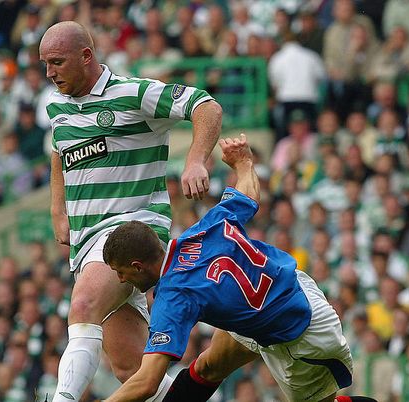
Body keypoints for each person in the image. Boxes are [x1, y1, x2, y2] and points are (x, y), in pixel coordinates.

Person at [102, 135, 374, 402]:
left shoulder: (173, 296)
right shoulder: (203, 229)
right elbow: (249, 196)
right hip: (288, 290)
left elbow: (148, 382)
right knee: (210, 365)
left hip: (299, 335)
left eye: (120, 271)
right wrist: (243, 163)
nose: (119, 278)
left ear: (137, 266)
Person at [40, 21, 223, 402]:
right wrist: (58, 210)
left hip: (131, 230)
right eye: (45, 64)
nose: (49, 72)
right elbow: (59, 152)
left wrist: (195, 160)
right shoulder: (57, 106)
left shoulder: (133, 93)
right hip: (87, 243)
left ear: (86, 56)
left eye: (57, 62)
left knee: (84, 305)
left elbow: (205, 104)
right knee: (131, 369)